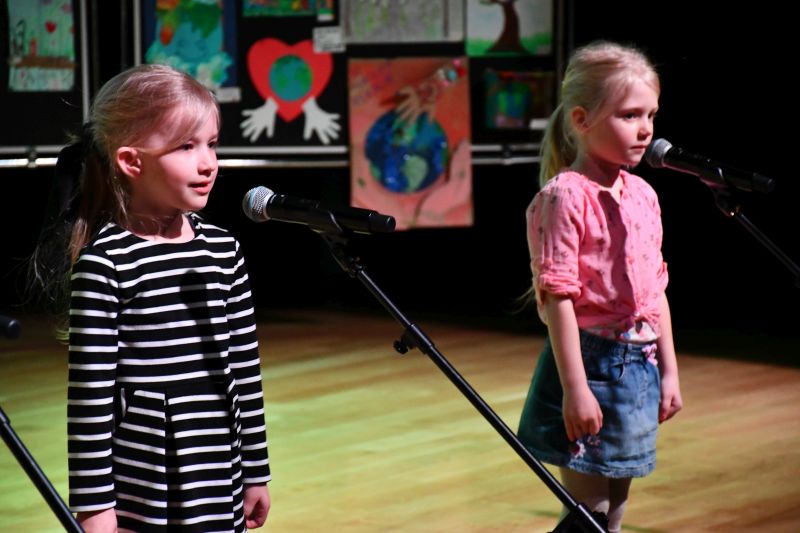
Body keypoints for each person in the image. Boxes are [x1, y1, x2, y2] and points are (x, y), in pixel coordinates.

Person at [31, 64, 270, 532]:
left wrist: (255, 470)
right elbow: (90, 399)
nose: (208, 163)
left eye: (212, 144)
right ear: (131, 161)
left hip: (217, 469)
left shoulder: (224, 251)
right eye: (186, 147)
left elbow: (244, 369)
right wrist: (95, 506)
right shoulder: (107, 263)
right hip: (146, 480)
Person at [517, 41, 683, 533]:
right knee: (588, 514)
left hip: (639, 367)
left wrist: (669, 371)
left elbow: (654, 291)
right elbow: (559, 298)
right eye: (630, 115)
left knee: (615, 511)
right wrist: (575, 390)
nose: (646, 129)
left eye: (651, 114)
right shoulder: (565, 197)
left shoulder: (643, 194)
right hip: (590, 365)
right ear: (582, 119)